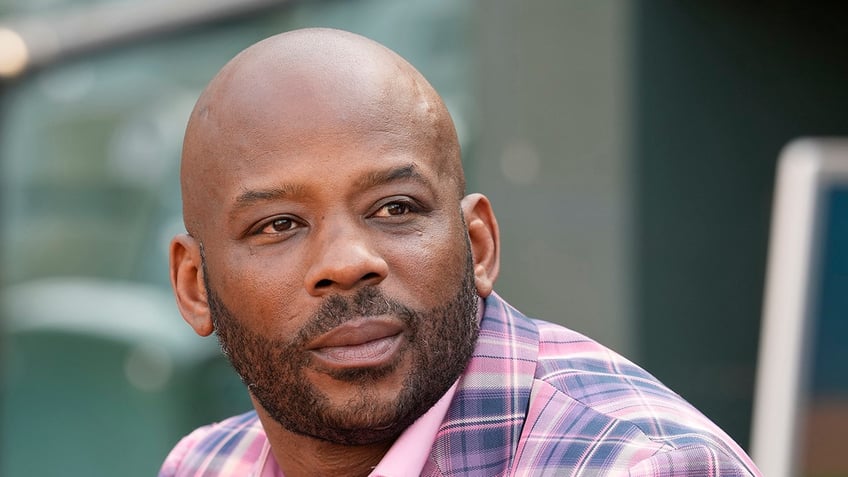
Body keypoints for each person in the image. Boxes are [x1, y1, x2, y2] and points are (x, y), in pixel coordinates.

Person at [160, 28, 761, 477]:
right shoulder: (208, 464)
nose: (347, 262)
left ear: (477, 245)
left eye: (395, 208)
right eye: (279, 224)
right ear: (193, 286)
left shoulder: (640, 466)